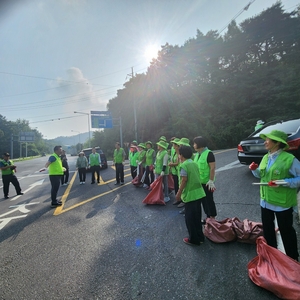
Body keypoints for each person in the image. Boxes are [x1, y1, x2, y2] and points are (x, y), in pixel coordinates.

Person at [249, 130, 300, 261]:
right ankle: (271, 257)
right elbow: (261, 175)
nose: (265, 142)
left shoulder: (289, 159)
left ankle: (293, 259)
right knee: (268, 230)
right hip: (265, 201)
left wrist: (285, 182)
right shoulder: (266, 157)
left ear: (277, 142)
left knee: (286, 231)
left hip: (282, 203)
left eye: (268, 140)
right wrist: (254, 170)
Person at [175, 145, 206, 246]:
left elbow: (184, 180)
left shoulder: (183, 166)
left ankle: (194, 239)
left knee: (190, 219)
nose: (178, 156)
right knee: (197, 217)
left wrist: (179, 193)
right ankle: (200, 237)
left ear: (181, 155)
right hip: (199, 193)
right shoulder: (194, 163)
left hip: (190, 195)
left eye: (179, 154)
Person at [193, 136, 217, 220]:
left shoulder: (209, 153)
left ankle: (212, 218)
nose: (194, 145)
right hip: (200, 182)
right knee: (203, 201)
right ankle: (208, 217)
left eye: (195, 143)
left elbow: (212, 168)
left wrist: (211, 180)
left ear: (200, 144)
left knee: (209, 200)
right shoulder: (197, 154)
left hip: (207, 182)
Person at [169, 138, 180, 204]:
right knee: (176, 185)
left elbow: (178, 162)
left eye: (173, 144)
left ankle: (180, 200)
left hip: (178, 171)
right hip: (174, 171)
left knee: (179, 186)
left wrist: (171, 164)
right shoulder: (174, 151)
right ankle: (177, 199)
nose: (172, 145)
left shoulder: (179, 152)